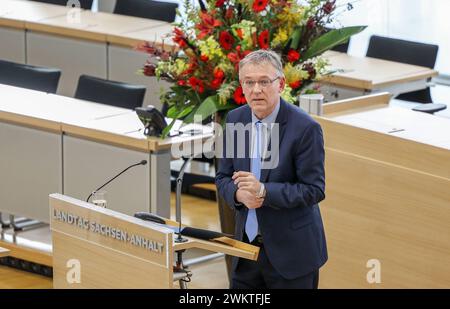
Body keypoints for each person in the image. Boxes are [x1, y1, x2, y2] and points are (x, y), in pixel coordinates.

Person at [215, 49, 327, 289]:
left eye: (264, 81)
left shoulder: (306, 128)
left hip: (291, 255)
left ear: (281, 84)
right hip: (246, 252)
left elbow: (314, 190)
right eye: (249, 82)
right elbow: (223, 177)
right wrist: (237, 194)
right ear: (241, 86)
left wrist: (264, 191)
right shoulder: (236, 120)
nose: (256, 90)